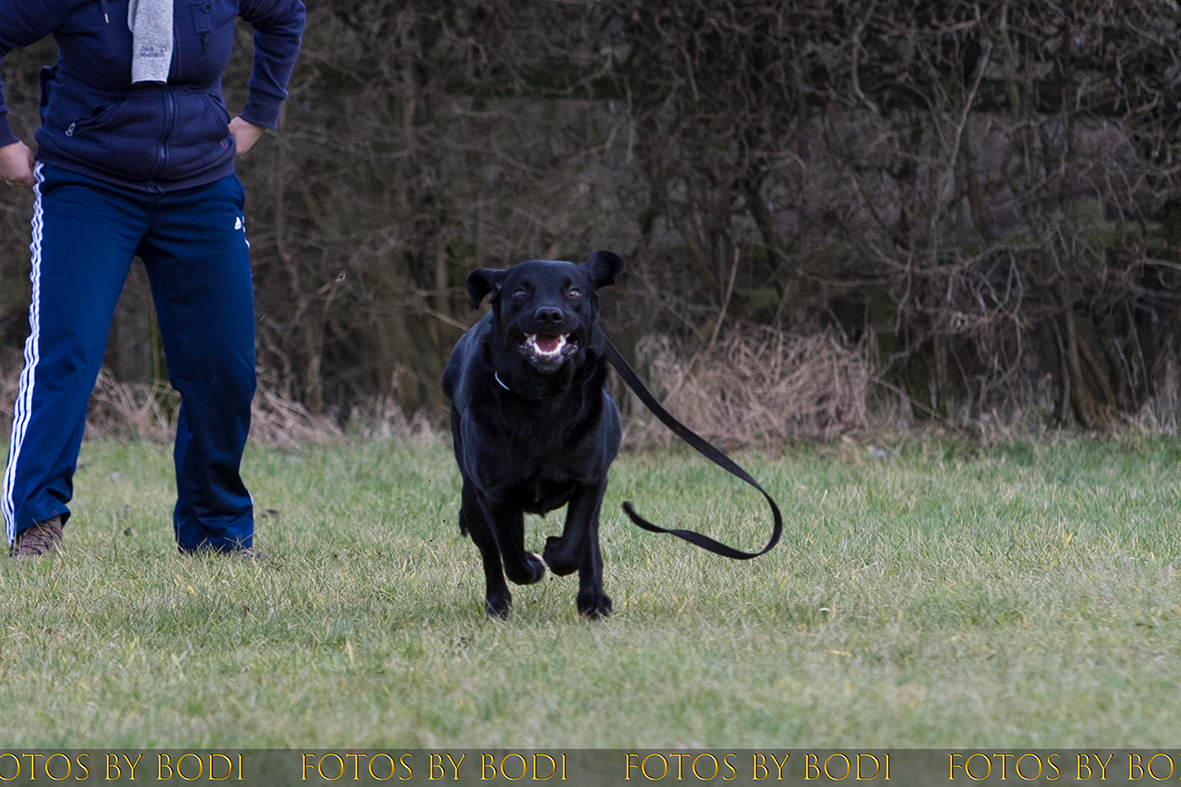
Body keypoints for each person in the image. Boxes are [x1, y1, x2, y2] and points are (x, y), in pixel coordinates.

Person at [0, 0, 305, 558]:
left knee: (224, 366)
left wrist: (261, 112)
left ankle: (216, 532)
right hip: (87, 184)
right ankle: (37, 523)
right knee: (68, 351)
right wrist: (2, 140)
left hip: (201, 184)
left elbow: (285, 13)